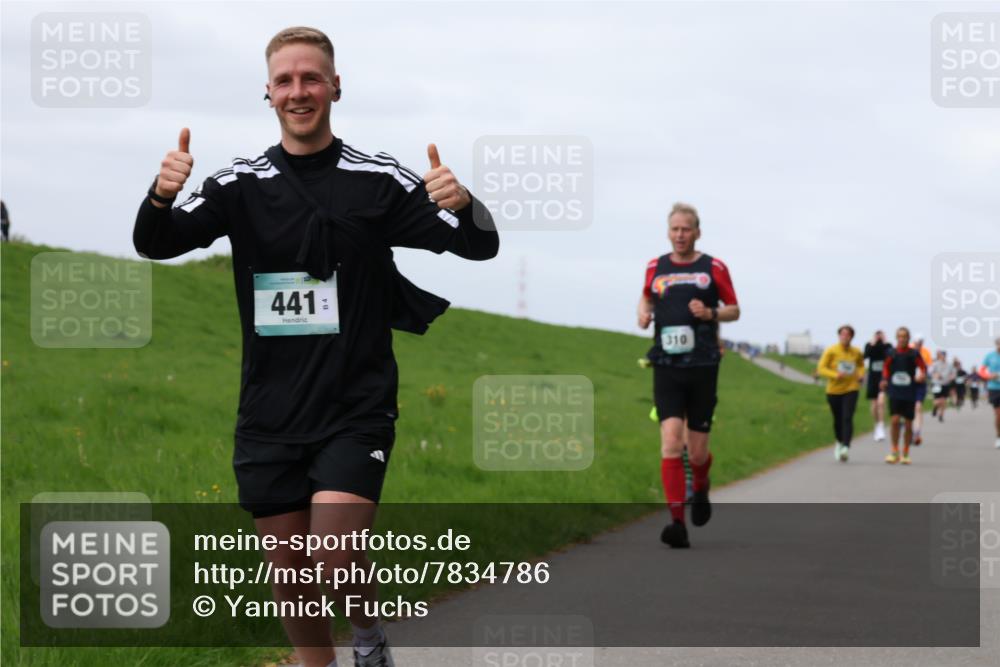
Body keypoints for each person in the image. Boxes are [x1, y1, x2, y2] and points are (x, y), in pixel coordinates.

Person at [133, 26, 498, 667]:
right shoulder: (239, 184)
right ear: (268, 93)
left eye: (311, 78)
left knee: (333, 553)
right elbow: (155, 243)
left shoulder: (377, 180)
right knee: (292, 575)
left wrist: (467, 204)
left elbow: (480, 244)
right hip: (269, 411)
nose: (298, 91)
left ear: (335, 87)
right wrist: (161, 195)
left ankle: (368, 636)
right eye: (285, 80)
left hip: (355, 405)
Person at [638, 202, 740, 549]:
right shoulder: (655, 266)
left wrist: (710, 312)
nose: (680, 235)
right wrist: (643, 314)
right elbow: (646, 298)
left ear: (697, 232)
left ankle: (701, 485)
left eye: (686, 229)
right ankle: (676, 523)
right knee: (671, 442)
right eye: (675, 229)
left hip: (702, 366)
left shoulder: (713, 267)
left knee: (696, 454)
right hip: (666, 365)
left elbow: (734, 309)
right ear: (668, 232)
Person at [816, 325, 866, 462]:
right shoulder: (831, 350)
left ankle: (845, 447)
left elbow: (861, 365)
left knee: (847, 417)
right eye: (842, 334)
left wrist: (861, 375)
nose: (845, 337)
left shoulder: (856, 352)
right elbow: (821, 368)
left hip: (851, 388)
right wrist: (834, 374)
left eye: (848, 334)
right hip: (834, 390)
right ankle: (839, 441)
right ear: (839, 336)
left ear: (851, 337)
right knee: (837, 419)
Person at [881, 327, 927, 465]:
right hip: (895, 391)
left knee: (908, 423)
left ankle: (905, 453)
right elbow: (885, 368)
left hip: (909, 392)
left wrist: (921, 375)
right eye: (900, 336)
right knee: (894, 420)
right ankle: (894, 451)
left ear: (908, 338)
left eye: (904, 336)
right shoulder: (891, 353)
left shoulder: (914, 354)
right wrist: (884, 380)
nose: (902, 339)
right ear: (896, 338)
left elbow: (923, 368)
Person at [863, 330, 892, 441]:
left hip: (883, 378)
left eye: (881, 335)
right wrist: (873, 343)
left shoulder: (887, 346)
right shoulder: (869, 345)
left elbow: (890, 355)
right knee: (874, 405)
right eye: (877, 336)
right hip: (873, 378)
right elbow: (865, 356)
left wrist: (885, 342)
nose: (879, 337)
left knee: (881, 402)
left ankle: (881, 425)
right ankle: (876, 424)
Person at [910, 334, 933, 445]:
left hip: (920, 384)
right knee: (909, 409)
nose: (919, 345)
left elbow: (929, 368)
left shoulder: (926, 352)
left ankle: (917, 432)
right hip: (908, 384)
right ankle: (909, 430)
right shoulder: (908, 351)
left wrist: (924, 375)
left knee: (918, 407)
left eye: (921, 343)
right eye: (917, 342)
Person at [929, 350, 955, 423]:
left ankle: (941, 415)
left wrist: (951, 377)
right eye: (942, 355)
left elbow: (953, 373)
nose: (943, 357)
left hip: (945, 384)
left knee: (944, 401)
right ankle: (935, 407)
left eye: (944, 355)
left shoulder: (949, 365)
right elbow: (930, 372)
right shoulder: (935, 364)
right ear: (940, 356)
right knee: (937, 400)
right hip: (936, 384)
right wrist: (935, 375)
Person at [983, 338, 1000, 449]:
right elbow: (981, 371)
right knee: (998, 415)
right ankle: (998, 437)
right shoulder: (990, 356)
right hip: (994, 388)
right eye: (999, 344)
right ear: (996, 344)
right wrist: (989, 376)